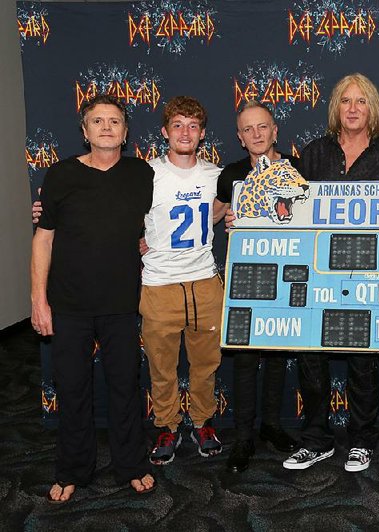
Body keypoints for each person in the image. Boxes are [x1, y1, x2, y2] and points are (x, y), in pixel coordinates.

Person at [31, 94, 155, 503]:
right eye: (97, 121)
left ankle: (132, 465)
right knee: (72, 389)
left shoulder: (142, 175)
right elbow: (43, 238)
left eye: (114, 121)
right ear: (84, 131)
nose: (106, 127)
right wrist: (37, 300)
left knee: (125, 387)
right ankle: (71, 469)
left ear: (125, 132)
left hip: (121, 304)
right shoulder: (61, 175)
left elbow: (165, 220)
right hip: (68, 305)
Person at [281, 73, 379, 472]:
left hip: (366, 272)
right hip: (318, 271)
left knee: (361, 360)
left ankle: (362, 439)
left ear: (374, 109)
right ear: (336, 108)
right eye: (346, 101)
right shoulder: (314, 154)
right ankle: (316, 439)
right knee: (310, 357)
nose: (353, 108)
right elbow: (292, 211)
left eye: (361, 101)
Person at [215, 100, 300, 473]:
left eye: (262, 127)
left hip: (286, 274)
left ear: (275, 130)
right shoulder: (231, 174)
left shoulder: (296, 169)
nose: (256, 134)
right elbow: (211, 215)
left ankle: (272, 425)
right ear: (239, 136)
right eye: (248, 129)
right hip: (246, 277)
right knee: (246, 357)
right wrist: (227, 216)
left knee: (278, 353)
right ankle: (244, 435)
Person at [142, 96, 225, 466]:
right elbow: (114, 212)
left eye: (193, 126)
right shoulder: (146, 174)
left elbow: (226, 211)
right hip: (160, 285)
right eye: (177, 125)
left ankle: (203, 422)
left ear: (203, 133)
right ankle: (167, 425)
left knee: (206, 364)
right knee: (162, 367)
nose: (185, 132)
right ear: (165, 132)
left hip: (204, 282)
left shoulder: (215, 175)